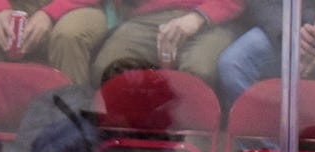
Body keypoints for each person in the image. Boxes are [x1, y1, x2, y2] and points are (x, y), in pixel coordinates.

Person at [0, 0, 107, 102]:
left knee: (69, 37)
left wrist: (50, 13)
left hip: (77, 6)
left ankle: (72, 134)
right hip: (8, 5)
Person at [90, 0, 243, 88]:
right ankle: (135, 137)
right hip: (150, 15)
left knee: (198, 72)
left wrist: (200, 16)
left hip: (213, 18)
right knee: (108, 69)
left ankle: (191, 142)